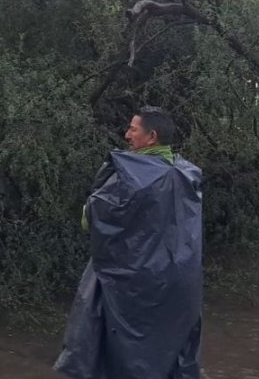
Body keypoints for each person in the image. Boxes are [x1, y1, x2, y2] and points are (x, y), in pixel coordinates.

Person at [54, 106, 204, 378]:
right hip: (180, 281)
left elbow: (92, 219)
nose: (127, 135)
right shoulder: (188, 174)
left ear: (152, 136)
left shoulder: (130, 175)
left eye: (133, 129)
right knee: (167, 351)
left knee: (117, 350)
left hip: (130, 279)